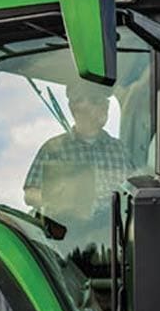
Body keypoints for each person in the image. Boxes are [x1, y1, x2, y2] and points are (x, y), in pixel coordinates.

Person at [23, 81, 132, 255]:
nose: (104, 107)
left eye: (105, 102)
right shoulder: (53, 149)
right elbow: (30, 194)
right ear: (75, 107)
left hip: (113, 244)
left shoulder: (120, 150)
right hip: (69, 243)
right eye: (96, 101)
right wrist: (62, 204)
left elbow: (133, 192)